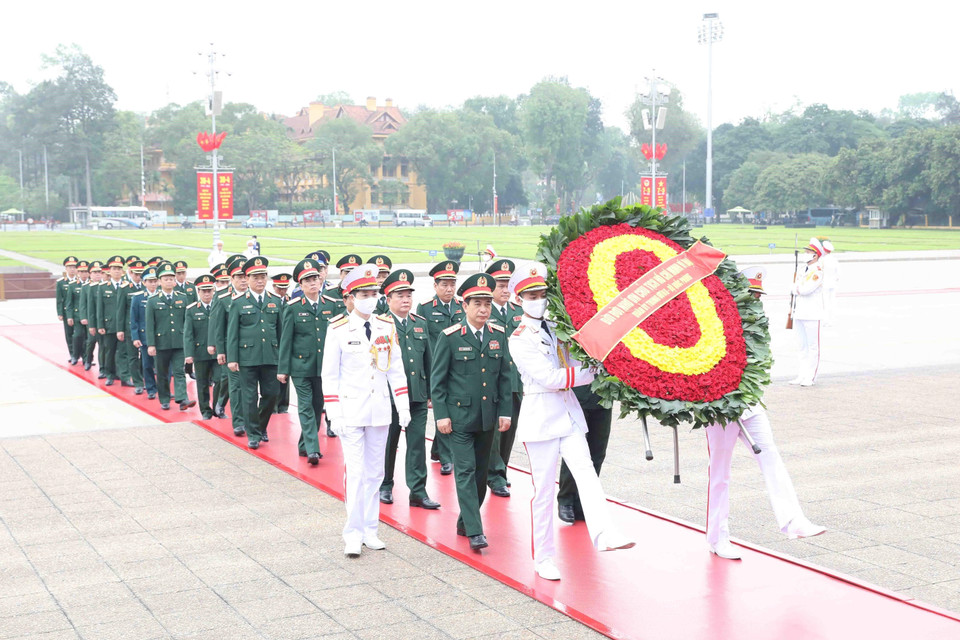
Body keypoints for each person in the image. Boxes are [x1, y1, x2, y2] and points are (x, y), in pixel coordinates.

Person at [507, 262, 634, 580]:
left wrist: (600, 355)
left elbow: (577, 358)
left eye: (542, 293)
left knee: (587, 473)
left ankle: (605, 533)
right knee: (544, 492)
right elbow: (550, 377)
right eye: (531, 295)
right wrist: (591, 372)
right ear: (519, 300)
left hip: (567, 414)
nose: (539, 299)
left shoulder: (557, 326)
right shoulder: (519, 338)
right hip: (541, 420)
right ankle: (544, 558)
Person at [705, 267, 826, 560]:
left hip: (749, 404)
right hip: (720, 410)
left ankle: (793, 520)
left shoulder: (756, 325)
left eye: (758, 295)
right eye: (752, 295)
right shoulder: (714, 323)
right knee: (720, 474)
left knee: (771, 457)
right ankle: (717, 537)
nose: (756, 301)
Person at [322, 264, 411, 557]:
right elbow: (329, 375)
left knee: (376, 473)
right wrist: (333, 411)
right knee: (357, 473)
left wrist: (403, 405)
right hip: (350, 410)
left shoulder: (386, 326)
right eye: (364, 293)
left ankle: (371, 529)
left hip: (379, 410)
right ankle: (352, 532)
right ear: (350, 296)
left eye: (374, 293)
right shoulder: (337, 329)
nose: (370, 298)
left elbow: (395, 368)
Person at [431, 273, 512, 551]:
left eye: (487, 304)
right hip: (459, 419)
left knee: (480, 475)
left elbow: (504, 377)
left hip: (487, 418)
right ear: (464, 306)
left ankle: (466, 521)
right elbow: (438, 381)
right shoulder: (450, 337)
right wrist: (441, 415)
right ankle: (476, 531)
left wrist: (505, 411)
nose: (483, 310)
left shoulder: (498, 336)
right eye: (477, 304)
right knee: (465, 471)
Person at [378, 269, 440, 510]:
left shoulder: (419, 324)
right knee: (388, 441)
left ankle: (418, 491)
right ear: (388, 298)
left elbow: (429, 361)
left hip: (416, 395)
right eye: (400, 295)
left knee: (416, 445)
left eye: (408, 295)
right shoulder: (380, 325)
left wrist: (431, 394)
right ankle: (385, 484)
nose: (405, 300)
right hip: (389, 397)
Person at [278, 259, 337, 465]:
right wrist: (283, 369)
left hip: (324, 367)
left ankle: (304, 444)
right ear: (300, 285)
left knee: (317, 406)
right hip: (300, 366)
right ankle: (313, 449)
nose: (313, 283)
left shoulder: (331, 304)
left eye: (315, 279)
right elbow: (286, 340)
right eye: (307, 281)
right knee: (305, 406)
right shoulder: (293, 307)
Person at [226, 256, 282, 449]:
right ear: (247, 279)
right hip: (247, 357)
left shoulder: (275, 301)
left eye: (262, 276)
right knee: (249, 397)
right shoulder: (238, 302)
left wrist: (282, 358)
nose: (259, 280)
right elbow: (232, 333)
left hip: (271, 356)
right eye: (255, 277)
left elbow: (281, 332)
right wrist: (232, 359)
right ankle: (254, 434)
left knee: (271, 394)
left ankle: (259, 425)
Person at [418, 261, 465, 476]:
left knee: (453, 411)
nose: (449, 289)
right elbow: (425, 342)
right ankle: (447, 457)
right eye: (444, 285)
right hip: (437, 367)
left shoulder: (462, 305)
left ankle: (438, 449)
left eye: (452, 285)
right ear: (435, 286)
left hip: (459, 367)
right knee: (442, 408)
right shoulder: (426, 308)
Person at [484, 260, 524, 498]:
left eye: (508, 284)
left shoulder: (519, 313)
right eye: (500, 284)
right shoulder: (482, 313)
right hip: (491, 381)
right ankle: (494, 474)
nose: (505, 289)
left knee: (510, 430)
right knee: (495, 431)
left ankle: (502, 469)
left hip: (515, 383)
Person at [146, 262, 196, 411]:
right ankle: (165, 399)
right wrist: (151, 344)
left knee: (179, 371)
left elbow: (187, 321)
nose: (169, 281)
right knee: (162, 372)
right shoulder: (153, 300)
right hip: (161, 342)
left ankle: (182, 399)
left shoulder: (183, 298)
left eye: (171, 278)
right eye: (165, 279)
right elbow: (150, 325)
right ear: (159, 281)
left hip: (179, 342)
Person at [209, 255, 248, 434]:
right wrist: (220, 350)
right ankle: (239, 422)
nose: (243, 280)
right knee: (235, 386)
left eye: (245, 276)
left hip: (251, 349)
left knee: (249, 387)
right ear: (231, 278)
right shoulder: (223, 297)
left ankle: (250, 419)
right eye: (239, 277)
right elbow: (218, 326)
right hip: (231, 349)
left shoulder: (252, 295)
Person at [791, 238, 825, 387]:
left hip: (812, 313)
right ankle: (802, 374)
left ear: (815, 255)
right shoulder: (803, 269)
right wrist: (796, 288)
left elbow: (805, 289)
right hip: (799, 311)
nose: (805, 254)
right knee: (801, 346)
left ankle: (810, 376)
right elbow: (794, 287)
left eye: (808, 252)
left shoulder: (817, 271)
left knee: (812, 347)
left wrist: (796, 289)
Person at [184, 275, 219, 419]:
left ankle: (218, 407)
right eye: (203, 291)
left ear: (213, 291)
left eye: (209, 291)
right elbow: (188, 334)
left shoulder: (219, 308)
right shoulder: (192, 310)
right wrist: (189, 354)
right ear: (198, 292)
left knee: (220, 380)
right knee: (203, 383)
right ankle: (205, 410)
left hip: (218, 352)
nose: (207, 294)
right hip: (200, 352)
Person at [96, 255, 128, 386]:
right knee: (109, 351)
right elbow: (99, 308)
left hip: (124, 325)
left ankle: (124, 375)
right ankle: (110, 374)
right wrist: (100, 325)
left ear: (122, 271)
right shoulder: (103, 287)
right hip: (109, 325)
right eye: (114, 269)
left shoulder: (127, 286)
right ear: (109, 271)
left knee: (123, 352)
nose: (116, 271)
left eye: (119, 269)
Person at [130, 267, 159, 400]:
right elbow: (134, 319)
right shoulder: (138, 298)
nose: (153, 284)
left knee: (163, 366)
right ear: (144, 282)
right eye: (150, 281)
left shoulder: (162, 295)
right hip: (145, 336)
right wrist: (135, 337)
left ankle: (163, 389)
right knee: (147, 365)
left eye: (155, 281)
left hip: (162, 337)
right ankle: (151, 388)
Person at [119, 260, 147, 393]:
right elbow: (120, 310)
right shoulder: (125, 288)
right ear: (130, 273)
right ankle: (138, 383)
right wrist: (120, 329)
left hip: (145, 327)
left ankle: (144, 378)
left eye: (141, 274)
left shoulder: (146, 288)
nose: (138, 277)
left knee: (146, 356)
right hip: (130, 327)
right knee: (133, 356)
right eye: (136, 274)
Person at [271, 273, 294, 414]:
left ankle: (283, 405)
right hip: (274, 343)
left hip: (286, 342)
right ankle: (273, 405)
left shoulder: (290, 301)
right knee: (273, 376)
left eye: (285, 288)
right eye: (280, 288)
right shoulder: (270, 301)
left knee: (286, 375)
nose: (283, 291)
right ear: (274, 287)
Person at [79, 261, 103, 372]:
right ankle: (88, 359)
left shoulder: (105, 285)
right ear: (90, 274)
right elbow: (83, 304)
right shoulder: (86, 287)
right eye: (95, 273)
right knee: (91, 341)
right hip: (92, 318)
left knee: (103, 345)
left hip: (104, 319)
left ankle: (102, 365)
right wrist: (84, 317)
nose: (97, 275)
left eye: (99, 272)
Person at [56, 256, 79, 363]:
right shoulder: (61, 282)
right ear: (66, 268)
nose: (72, 269)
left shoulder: (81, 281)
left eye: (74, 267)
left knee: (81, 335)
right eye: (69, 267)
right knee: (69, 334)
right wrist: (60, 313)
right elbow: (59, 299)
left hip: (79, 311)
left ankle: (84, 355)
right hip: (67, 311)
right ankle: (73, 355)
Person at [65, 261, 89, 366]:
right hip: (77, 315)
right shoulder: (73, 285)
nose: (84, 274)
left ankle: (86, 358)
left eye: (86, 271)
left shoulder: (92, 285)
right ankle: (75, 355)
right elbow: (69, 303)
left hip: (90, 316)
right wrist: (69, 316)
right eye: (81, 272)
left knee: (88, 339)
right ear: (78, 273)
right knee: (78, 335)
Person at [820, 240, 840, 326]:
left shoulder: (822, 260)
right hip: (833, 283)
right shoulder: (834, 259)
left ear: (824, 250)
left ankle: (825, 320)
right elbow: (838, 274)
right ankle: (832, 320)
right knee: (832, 302)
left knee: (825, 303)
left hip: (824, 284)